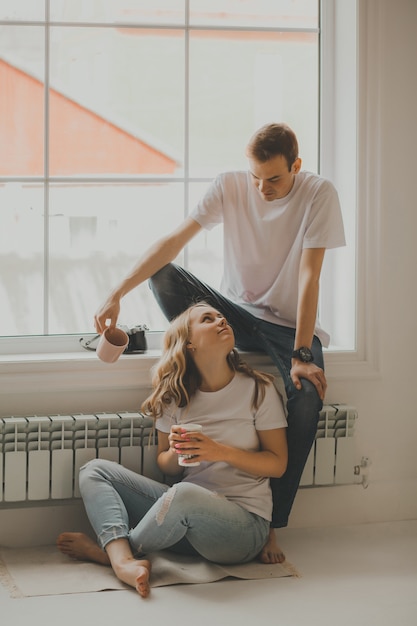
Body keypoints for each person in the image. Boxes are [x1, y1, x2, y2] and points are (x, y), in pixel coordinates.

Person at [93, 122, 346, 563]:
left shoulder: (318, 193)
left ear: (296, 167)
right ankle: (203, 355)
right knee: (164, 274)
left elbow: (310, 276)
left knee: (306, 396)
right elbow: (173, 242)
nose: (261, 188)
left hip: (287, 327)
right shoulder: (229, 186)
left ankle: (271, 526)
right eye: (255, 177)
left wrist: (303, 354)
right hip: (235, 315)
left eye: (274, 179)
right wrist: (116, 291)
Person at [57, 302, 288, 598]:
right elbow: (165, 466)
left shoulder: (259, 389)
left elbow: (277, 464)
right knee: (94, 470)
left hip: (242, 528)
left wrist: (219, 452)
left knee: (183, 494)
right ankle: (123, 559)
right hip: (182, 519)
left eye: (222, 317)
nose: (221, 321)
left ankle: (113, 555)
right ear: (189, 342)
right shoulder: (174, 397)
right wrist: (177, 454)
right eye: (208, 319)